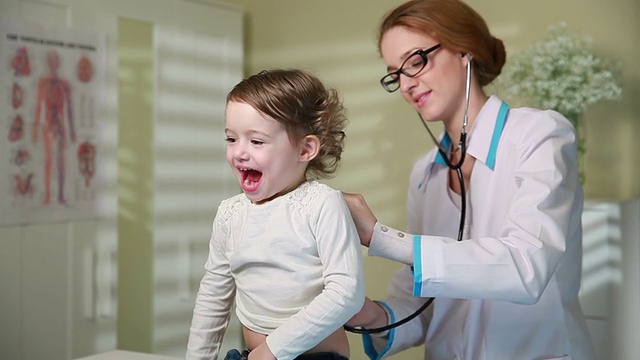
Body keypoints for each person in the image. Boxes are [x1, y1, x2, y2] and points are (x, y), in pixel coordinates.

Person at [342, 1, 597, 359]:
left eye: (415, 61)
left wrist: (380, 237)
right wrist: (363, 312)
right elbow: (424, 307)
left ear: (464, 49)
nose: (405, 84)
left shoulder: (539, 135)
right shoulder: (424, 173)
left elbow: (527, 266)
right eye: (395, 74)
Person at [187, 69, 365, 360]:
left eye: (256, 141)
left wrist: (270, 351)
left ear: (306, 149)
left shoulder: (321, 204)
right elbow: (213, 298)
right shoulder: (230, 214)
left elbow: (346, 294)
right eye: (231, 139)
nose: (239, 153)